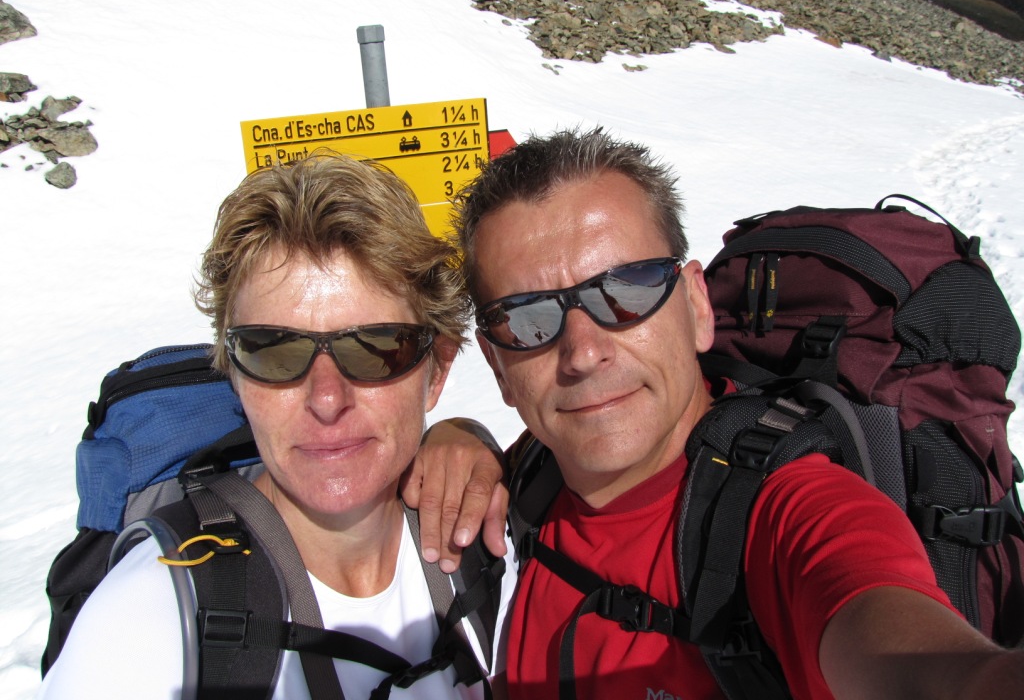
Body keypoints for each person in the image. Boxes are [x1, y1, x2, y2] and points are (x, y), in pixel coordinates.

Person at [450, 127, 1024, 700]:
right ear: (498, 366)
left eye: (626, 289)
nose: (582, 353)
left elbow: (910, 655)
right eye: (526, 318)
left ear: (697, 307)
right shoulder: (517, 491)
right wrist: (457, 436)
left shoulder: (792, 509)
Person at [39, 150, 515, 699]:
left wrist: (470, 437)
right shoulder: (143, 628)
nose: (327, 398)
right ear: (235, 375)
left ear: (438, 371)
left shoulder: (499, 546)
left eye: (376, 347)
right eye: (273, 351)